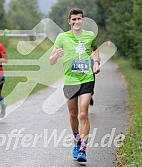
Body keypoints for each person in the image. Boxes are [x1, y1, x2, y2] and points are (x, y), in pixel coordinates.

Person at [49, 8, 100, 162]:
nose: (77, 22)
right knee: (72, 114)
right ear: (69, 21)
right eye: (74, 19)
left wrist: (96, 63)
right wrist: (55, 56)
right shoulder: (62, 37)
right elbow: (50, 61)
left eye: (79, 19)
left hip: (86, 78)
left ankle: (83, 149)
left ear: (82, 20)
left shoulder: (90, 35)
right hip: (70, 81)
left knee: (83, 113)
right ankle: (77, 140)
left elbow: (95, 50)